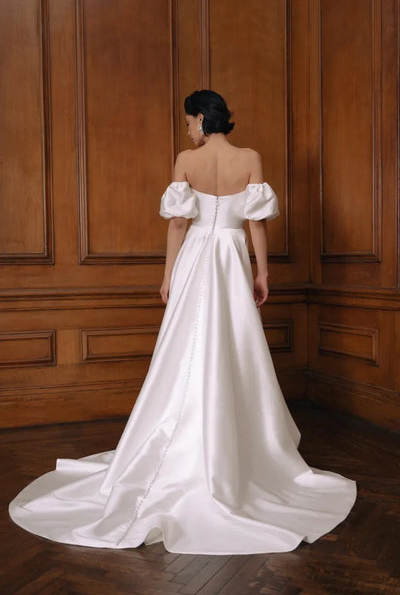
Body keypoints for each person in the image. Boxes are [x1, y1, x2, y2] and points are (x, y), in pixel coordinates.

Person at [9, 89, 357, 555]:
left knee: (185, 348)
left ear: (200, 119)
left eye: (189, 123)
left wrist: (168, 275)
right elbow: (257, 223)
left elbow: (177, 224)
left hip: (196, 259)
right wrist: (263, 271)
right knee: (232, 345)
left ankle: (186, 437)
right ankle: (234, 445)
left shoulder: (186, 161)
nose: (187, 131)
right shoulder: (250, 157)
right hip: (232, 258)